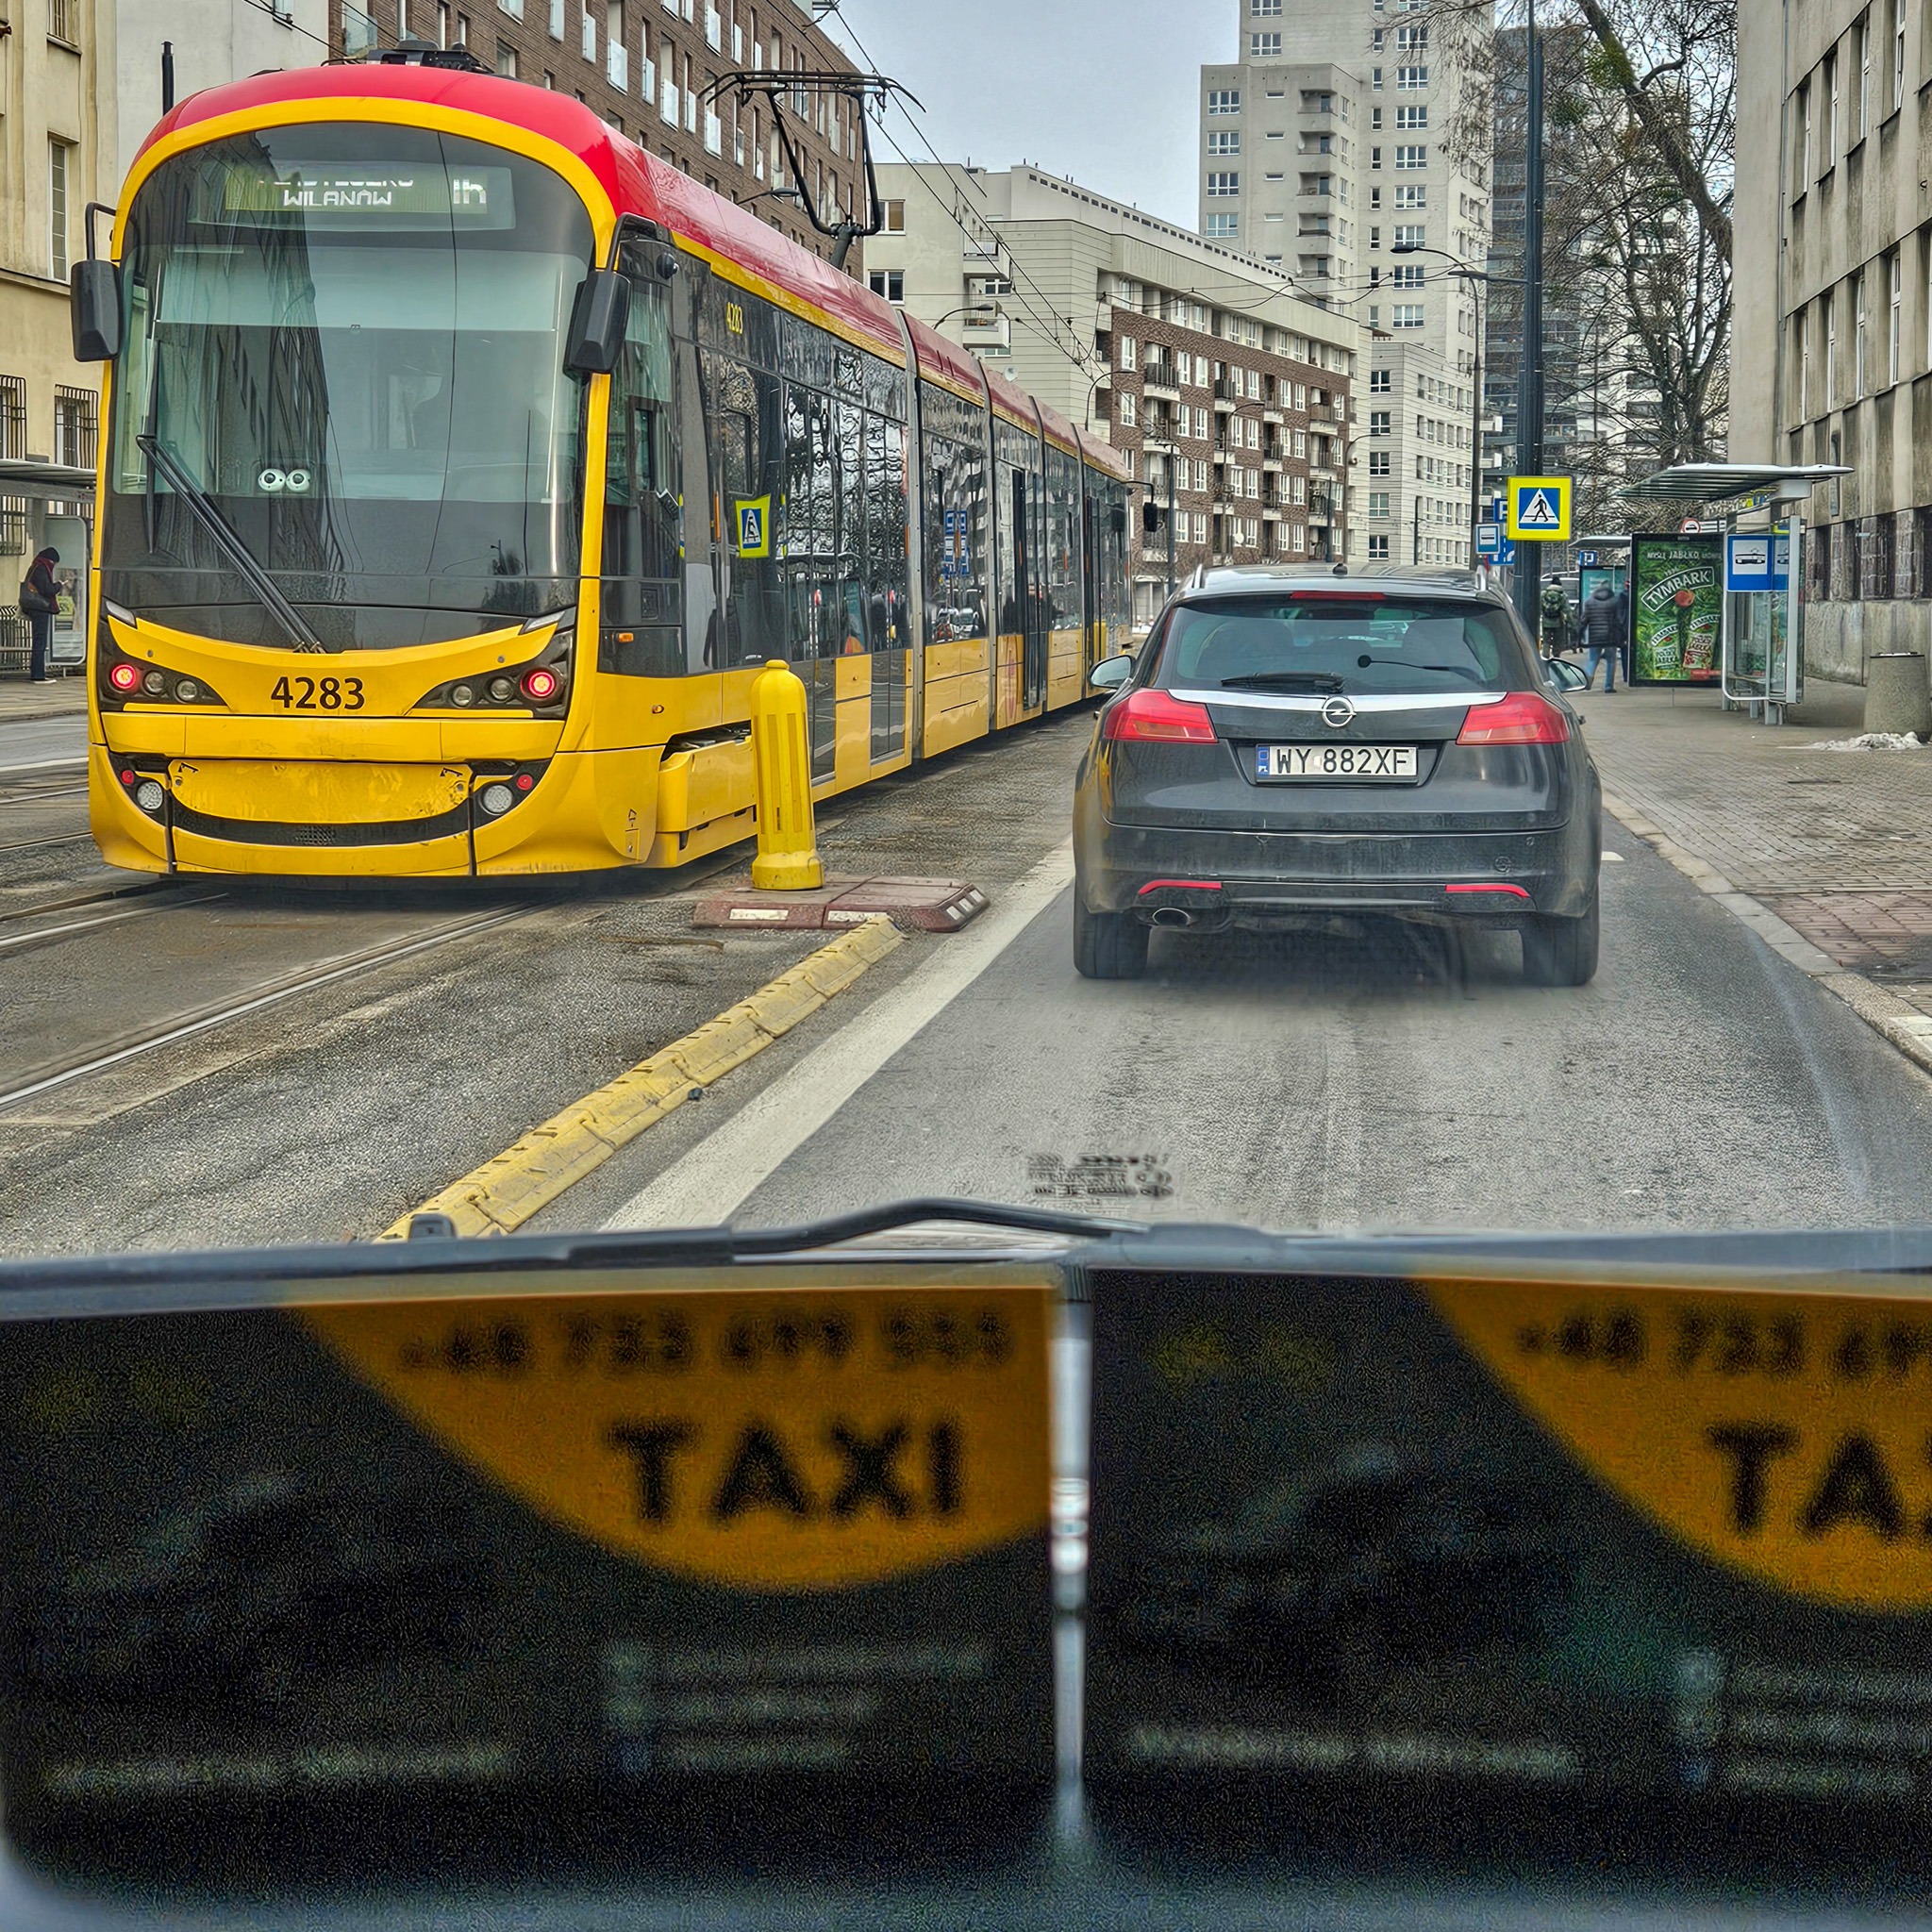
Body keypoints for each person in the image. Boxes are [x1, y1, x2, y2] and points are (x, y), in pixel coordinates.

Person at [16, 547, 58, 683]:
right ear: (50, 560)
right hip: (39, 608)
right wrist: (59, 586)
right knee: (40, 641)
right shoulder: (41, 569)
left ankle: (37, 672)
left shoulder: (36, 566)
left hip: (35, 607)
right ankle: (38, 674)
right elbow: (47, 590)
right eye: (54, 562)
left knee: (38, 641)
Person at [1578, 577, 1626, 692]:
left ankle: (1588, 683)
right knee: (1611, 660)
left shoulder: (1589, 601)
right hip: (1610, 636)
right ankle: (1608, 686)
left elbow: (1584, 620)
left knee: (1592, 660)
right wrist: (1622, 634)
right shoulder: (1615, 601)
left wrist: (1580, 636)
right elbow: (1619, 620)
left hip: (1595, 637)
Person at [1539, 576, 1571, 658]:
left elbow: (1539, 607)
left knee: (1546, 641)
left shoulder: (1543, 594)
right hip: (1558, 622)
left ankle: (1545, 657)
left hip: (1546, 622)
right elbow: (1567, 610)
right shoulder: (1563, 595)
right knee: (1558, 641)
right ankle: (1556, 657)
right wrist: (1570, 623)